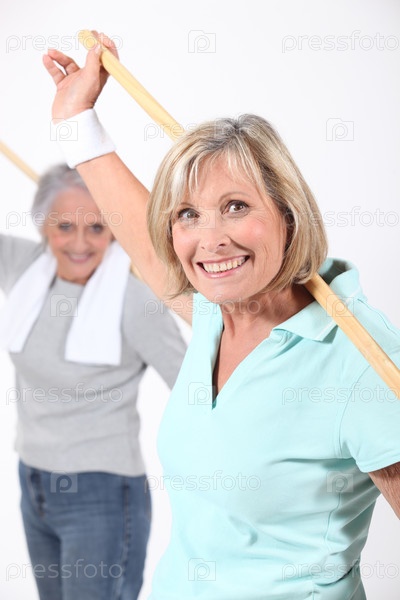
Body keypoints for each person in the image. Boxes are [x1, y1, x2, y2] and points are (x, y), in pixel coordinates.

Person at [42, 35, 400, 600]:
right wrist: (75, 121)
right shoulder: (217, 311)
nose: (210, 241)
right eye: (187, 214)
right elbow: (148, 246)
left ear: (288, 214)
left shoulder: (360, 358)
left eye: (236, 206)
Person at [0, 163, 187, 600]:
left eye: (97, 227)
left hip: (102, 495)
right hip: (33, 481)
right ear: (43, 225)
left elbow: (193, 385)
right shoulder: (24, 266)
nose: (81, 243)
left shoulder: (135, 299)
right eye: (64, 226)